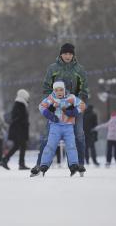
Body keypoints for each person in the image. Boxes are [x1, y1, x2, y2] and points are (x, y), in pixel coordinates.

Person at [31, 43, 89, 176]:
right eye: (65, 53)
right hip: (55, 108)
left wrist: (76, 107)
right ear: (61, 54)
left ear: (73, 55)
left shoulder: (79, 69)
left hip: (74, 106)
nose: (68, 56)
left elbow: (84, 90)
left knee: (78, 135)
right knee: (47, 137)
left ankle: (79, 164)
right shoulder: (53, 69)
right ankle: (40, 165)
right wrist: (50, 105)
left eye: (70, 54)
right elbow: (46, 87)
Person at [36, 81, 85, 177]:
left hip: (68, 126)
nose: (59, 92)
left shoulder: (71, 98)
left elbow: (82, 105)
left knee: (71, 145)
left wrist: (73, 112)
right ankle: (44, 165)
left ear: (64, 90)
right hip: (55, 126)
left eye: (61, 90)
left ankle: (73, 165)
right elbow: (41, 106)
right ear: (54, 91)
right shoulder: (51, 98)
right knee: (50, 145)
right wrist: (50, 115)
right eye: (56, 90)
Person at [0, 89, 30, 170]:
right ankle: (21, 164)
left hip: (18, 129)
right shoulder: (19, 105)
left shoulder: (19, 104)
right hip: (19, 130)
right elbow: (18, 118)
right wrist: (24, 123)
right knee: (22, 146)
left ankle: (5, 160)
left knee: (17, 146)